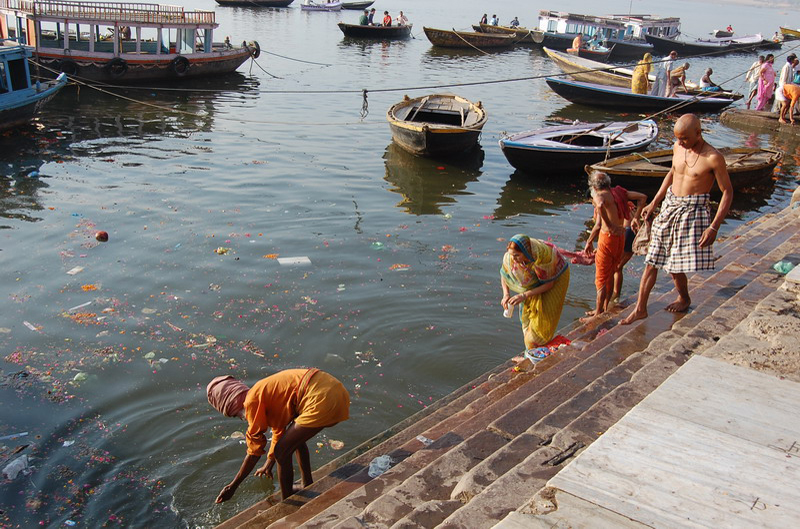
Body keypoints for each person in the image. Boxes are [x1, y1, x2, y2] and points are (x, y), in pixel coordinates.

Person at [620, 114, 733, 325]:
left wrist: (714, 227)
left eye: (685, 139)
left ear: (698, 133)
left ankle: (684, 297)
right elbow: (672, 173)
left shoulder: (713, 157)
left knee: (674, 265)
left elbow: (727, 192)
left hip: (691, 212)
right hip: (670, 206)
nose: (680, 143)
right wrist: (654, 202)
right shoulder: (677, 148)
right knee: (651, 260)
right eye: (678, 138)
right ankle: (640, 309)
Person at [208, 369, 350, 502]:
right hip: (334, 389)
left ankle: (287, 500)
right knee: (293, 440)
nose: (241, 418)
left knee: (282, 451)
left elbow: (254, 452)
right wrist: (268, 463)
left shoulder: (251, 402)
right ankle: (306, 483)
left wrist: (232, 487)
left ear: (233, 405)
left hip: (321, 398)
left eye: (236, 415)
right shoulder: (262, 394)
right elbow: (279, 432)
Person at [581, 172, 646, 321]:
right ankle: (603, 308)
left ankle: (598, 313)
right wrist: (636, 218)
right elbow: (642, 197)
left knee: (602, 276)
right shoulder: (618, 192)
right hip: (620, 237)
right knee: (611, 272)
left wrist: (591, 240)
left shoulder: (600, 196)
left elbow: (599, 213)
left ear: (594, 187)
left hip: (608, 237)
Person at [500, 234, 571, 349]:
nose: (513, 259)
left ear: (526, 252)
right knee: (527, 321)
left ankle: (535, 353)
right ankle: (531, 353)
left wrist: (524, 295)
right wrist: (506, 294)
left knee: (541, 326)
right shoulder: (510, 258)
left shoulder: (542, 255)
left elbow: (549, 284)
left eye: (517, 255)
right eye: (511, 255)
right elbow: (504, 274)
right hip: (532, 282)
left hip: (555, 278)